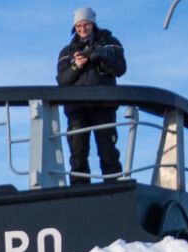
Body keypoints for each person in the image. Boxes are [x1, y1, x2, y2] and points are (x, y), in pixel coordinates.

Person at [56, 7, 126, 186]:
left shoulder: (111, 43)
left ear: (93, 24)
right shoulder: (66, 52)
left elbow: (120, 69)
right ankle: (79, 192)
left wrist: (102, 56)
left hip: (104, 105)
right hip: (77, 109)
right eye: (78, 26)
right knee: (78, 154)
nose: (82, 29)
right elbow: (61, 80)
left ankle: (113, 188)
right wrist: (75, 67)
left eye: (85, 24)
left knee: (108, 151)